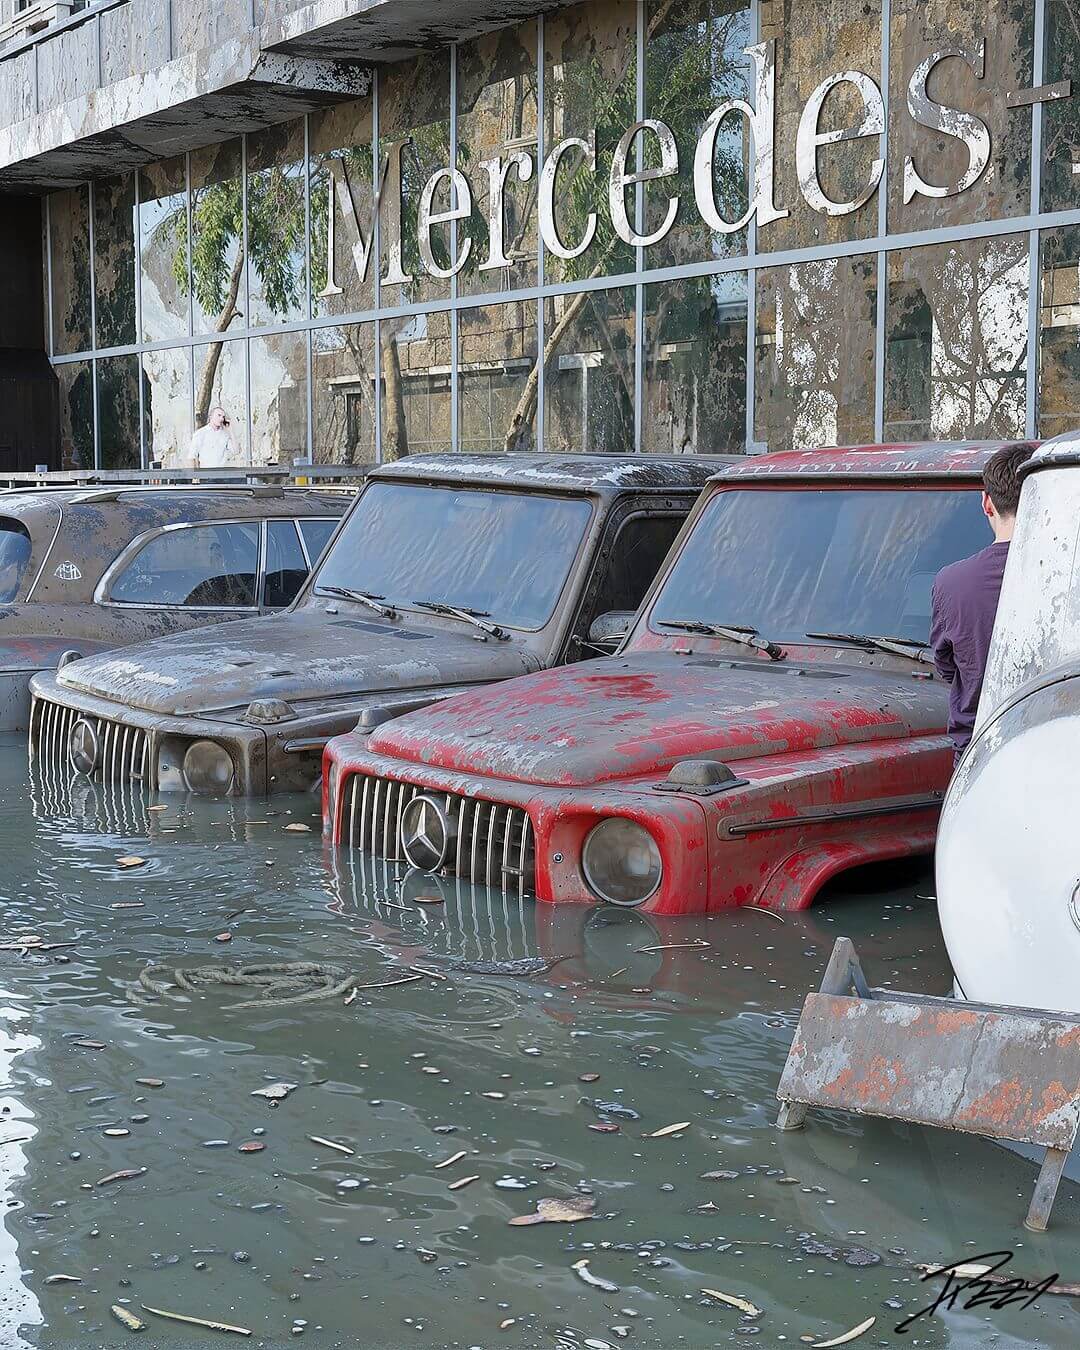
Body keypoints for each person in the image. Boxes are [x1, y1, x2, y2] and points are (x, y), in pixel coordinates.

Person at [929, 442, 1036, 761]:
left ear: (987, 502)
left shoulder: (951, 582)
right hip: (1056, 748)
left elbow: (947, 667)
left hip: (979, 754)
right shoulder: (1068, 577)